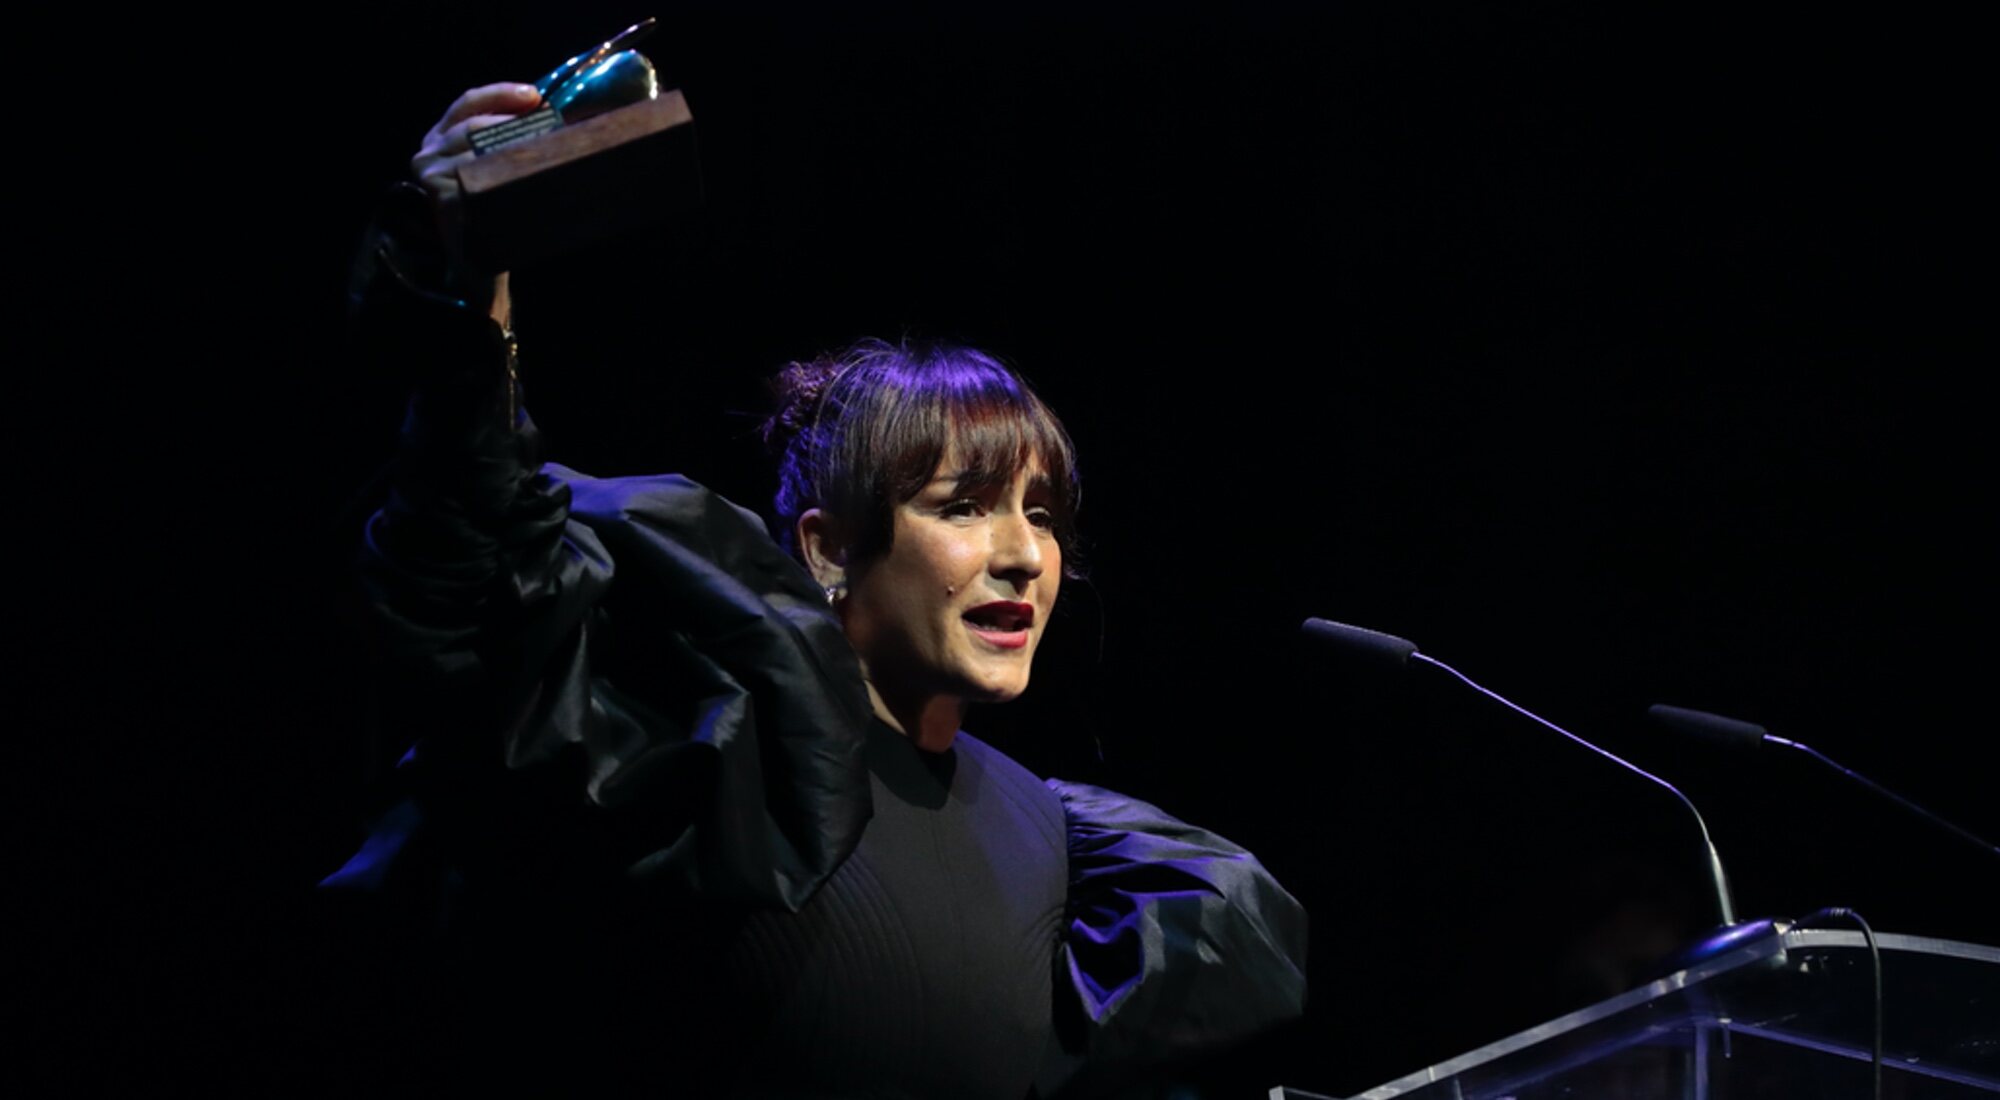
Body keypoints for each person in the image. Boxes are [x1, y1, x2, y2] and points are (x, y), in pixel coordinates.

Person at [324, 82, 1307, 1098]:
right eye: (964, 506)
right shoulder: (703, 760)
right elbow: (481, 582)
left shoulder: (1058, 841)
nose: (1024, 553)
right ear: (828, 549)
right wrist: (463, 299)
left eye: (1043, 514)